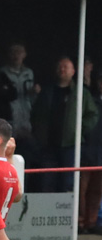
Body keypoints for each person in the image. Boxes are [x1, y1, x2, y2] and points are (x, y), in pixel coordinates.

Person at [31, 56, 99, 192]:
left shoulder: (81, 93)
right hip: (47, 144)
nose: (62, 69)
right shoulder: (47, 91)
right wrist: (38, 132)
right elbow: (35, 114)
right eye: (60, 67)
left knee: (68, 182)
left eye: (66, 67)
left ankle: (66, 213)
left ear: (73, 71)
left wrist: (78, 129)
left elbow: (93, 114)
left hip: (71, 145)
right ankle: (47, 212)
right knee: (47, 181)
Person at [0, 42, 40, 188]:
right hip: (10, 119)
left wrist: (35, 93)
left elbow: (32, 100)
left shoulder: (29, 72)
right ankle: (8, 187)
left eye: (20, 52)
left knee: (28, 156)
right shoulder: (2, 72)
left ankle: (25, 187)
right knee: (8, 155)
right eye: (14, 52)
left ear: (25, 55)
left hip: (26, 119)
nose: (17, 56)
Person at [78, 72, 102, 234]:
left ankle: (91, 223)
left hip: (100, 153)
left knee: (97, 190)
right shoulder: (89, 99)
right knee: (81, 189)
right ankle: (79, 223)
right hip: (86, 149)